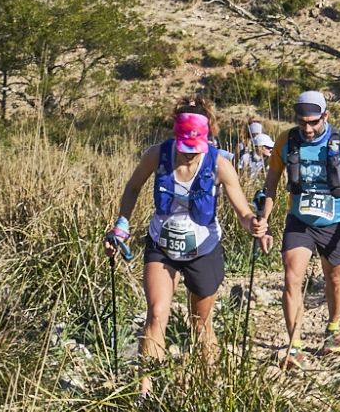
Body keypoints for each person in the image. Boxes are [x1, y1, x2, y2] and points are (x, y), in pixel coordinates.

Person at [106, 100, 268, 363]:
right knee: (157, 313)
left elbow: (243, 211)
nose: (189, 154)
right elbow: (133, 187)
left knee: (201, 325)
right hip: (162, 245)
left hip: (203, 249)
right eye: (184, 148)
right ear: (175, 135)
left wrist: (253, 224)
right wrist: (121, 226)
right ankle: (145, 393)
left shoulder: (220, 165)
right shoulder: (157, 155)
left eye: (195, 148)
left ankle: (208, 386)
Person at [263, 89, 340, 365]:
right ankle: (294, 345)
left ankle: (333, 328)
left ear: (325, 116)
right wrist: (263, 219)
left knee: (334, 277)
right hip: (300, 221)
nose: (308, 128)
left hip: (336, 222)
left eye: (314, 122)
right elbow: (271, 183)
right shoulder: (286, 141)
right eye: (303, 122)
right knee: (292, 277)